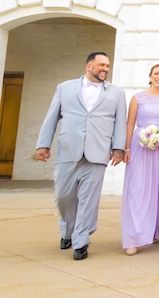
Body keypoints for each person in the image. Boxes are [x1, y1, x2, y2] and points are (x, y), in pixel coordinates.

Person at [35, 52, 127, 261]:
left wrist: (119, 148)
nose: (105, 68)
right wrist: (43, 144)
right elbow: (51, 117)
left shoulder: (117, 93)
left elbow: (119, 123)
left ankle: (81, 241)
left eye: (108, 65)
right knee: (63, 197)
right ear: (89, 66)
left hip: (98, 152)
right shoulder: (64, 88)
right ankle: (67, 230)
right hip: (68, 150)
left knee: (89, 200)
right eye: (101, 65)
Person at [121, 64, 159, 255]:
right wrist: (127, 147)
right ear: (150, 76)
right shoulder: (138, 97)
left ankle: (152, 231)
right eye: (156, 74)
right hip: (140, 145)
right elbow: (130, 123)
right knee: (137, 189)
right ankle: (133, 237)